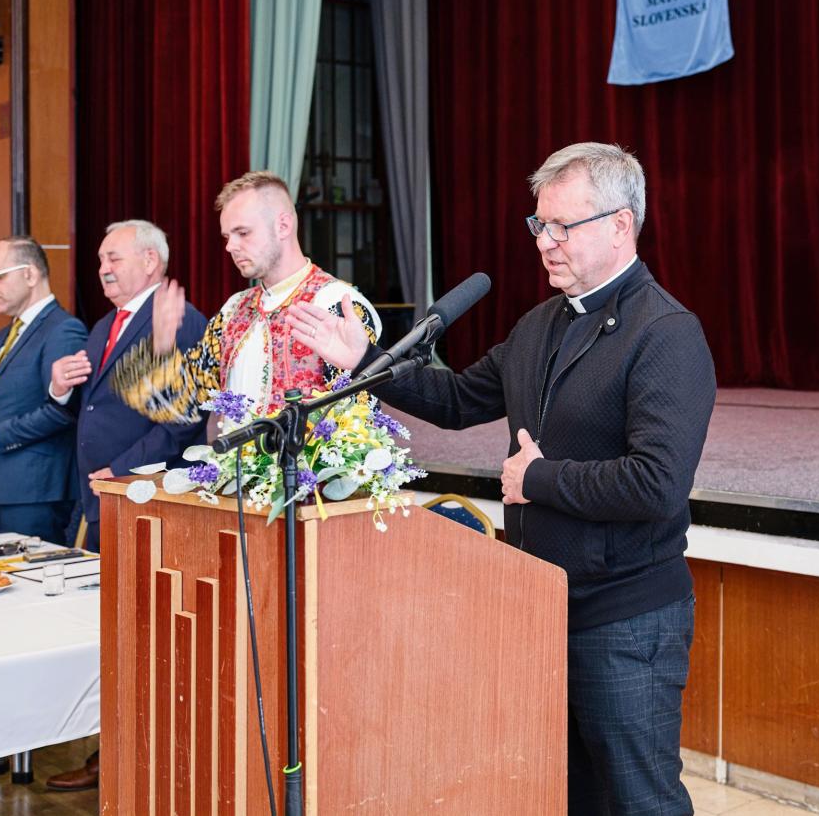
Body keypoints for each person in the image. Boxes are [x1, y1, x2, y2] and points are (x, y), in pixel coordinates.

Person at [286, 142, 717, 815]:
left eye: (562, 226)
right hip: (539, 605)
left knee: (641, 802)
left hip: (626, 619)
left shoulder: (666, 332)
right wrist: (365, 361)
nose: (545, 241)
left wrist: (538, 479)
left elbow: (656, 483)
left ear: (620, 226)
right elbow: (459, 399)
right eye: (539, 224)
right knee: (566, 797)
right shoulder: (540, 324)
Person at [111, 170, 381, 424]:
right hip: (236, 460)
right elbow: (182, 406)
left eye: (243, 233)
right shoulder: (233, 310)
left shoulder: (337, 303)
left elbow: (360, 423)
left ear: (283, 226)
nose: (230, 246)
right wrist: (161, 346)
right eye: (227, 236)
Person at [47, 220, 208, 554]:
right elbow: (94, 407)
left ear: (149, 261)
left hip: (148, 495)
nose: (103, 269)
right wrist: (60, 388)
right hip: (101, 495)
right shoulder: (103, 326)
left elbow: (184, 420)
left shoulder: (179, 318)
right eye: (100, 260)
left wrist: (121, 471)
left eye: (114, 259)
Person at [0, 237, 88, 543]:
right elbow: (5, 408)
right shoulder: (1, 337)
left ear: (29, 274)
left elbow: (62, 413)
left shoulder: (63, 330)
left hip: (35, 494)